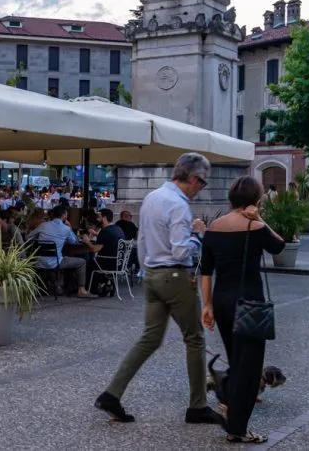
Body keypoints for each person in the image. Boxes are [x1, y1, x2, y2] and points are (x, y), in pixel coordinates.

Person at [95, 152, 221, 426]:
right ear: (193, 178)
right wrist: (198, 235)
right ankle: (197, 406)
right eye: (203, 183)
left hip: (152, 274)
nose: (202, 188)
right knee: (195, 338)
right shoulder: (179, 205)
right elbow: (180, 249)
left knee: (150, 338)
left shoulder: (152, 198)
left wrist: (145, 270)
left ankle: (112, 393)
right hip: (175, 275)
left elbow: (142, 239)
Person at [199, 176, 285, 444]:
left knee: (237, 361)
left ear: (230, 200)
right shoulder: (256, 227)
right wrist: (260, 218)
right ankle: (237, 428)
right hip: (249, 303)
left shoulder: (214, 228)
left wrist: (207, 305)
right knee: (249, 369)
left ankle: (228, 400)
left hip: (222, 301)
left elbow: (205, 271)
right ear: (256, 201)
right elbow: (279, 246)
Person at [28, 203, 91, 298]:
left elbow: (29, 237)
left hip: (39, 261)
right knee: (81, 262)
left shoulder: (43, 225)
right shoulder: (66, 229)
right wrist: (69, 227)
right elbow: (74, 241)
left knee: (64, 257)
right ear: (64, 215)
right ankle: (81, 290)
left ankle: (59, 285)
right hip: (56, 262)